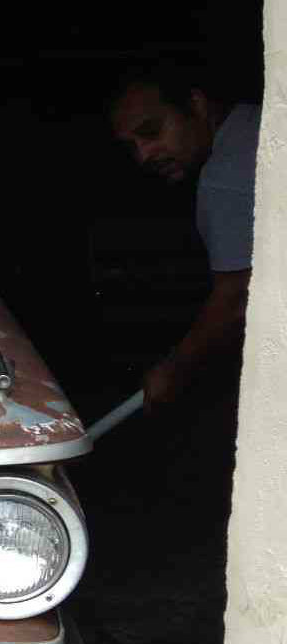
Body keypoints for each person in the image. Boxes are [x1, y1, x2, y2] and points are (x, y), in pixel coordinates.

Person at [108, 68, 260, 414]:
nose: (143, 155)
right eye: (132, 145)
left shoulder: (223, 180)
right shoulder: (256, 119)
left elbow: (237, 297)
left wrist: (173, 369)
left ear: (197, 104)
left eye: (151, 132)